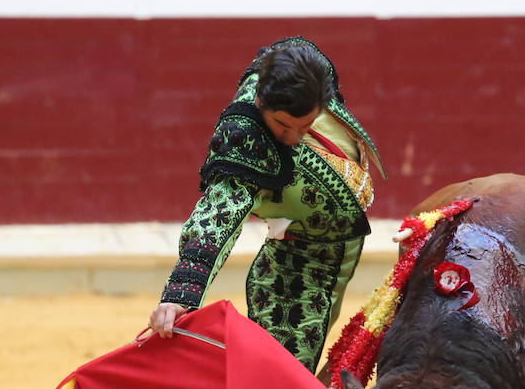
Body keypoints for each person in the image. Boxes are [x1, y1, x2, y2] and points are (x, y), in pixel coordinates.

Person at [148, 37, 385, 372]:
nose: (291, 138)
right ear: (260, 101)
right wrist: (180, 295)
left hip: (328, 237)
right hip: (301, 258)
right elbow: (216, 216)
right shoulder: (246, 140)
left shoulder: (308, 73)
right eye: (282, 125)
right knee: (283, 370)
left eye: (305, 127)